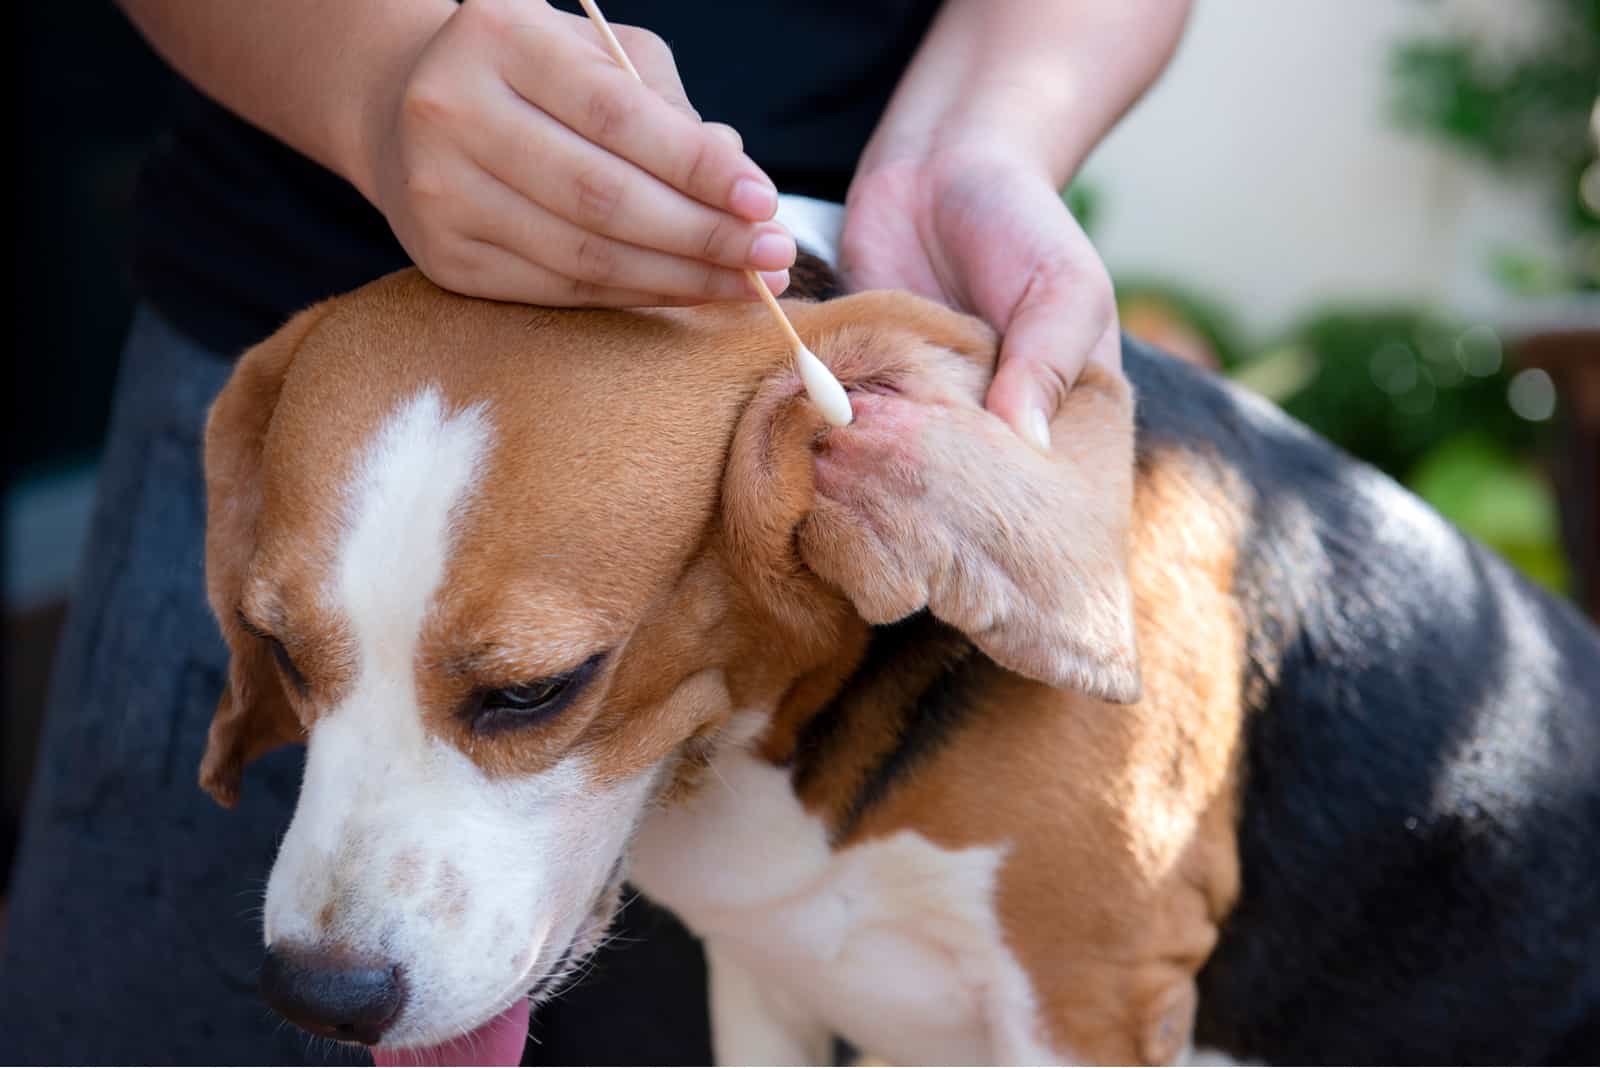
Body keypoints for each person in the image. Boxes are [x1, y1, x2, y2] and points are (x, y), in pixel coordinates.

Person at [0, 0, 1191, 1061]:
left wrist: (973, 138)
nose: (325, 936)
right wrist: (373, 80)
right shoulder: (280, 441)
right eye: (297, 656)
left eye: (519, 691)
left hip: (805, 331)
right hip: (298, 324)